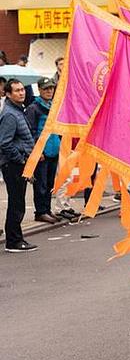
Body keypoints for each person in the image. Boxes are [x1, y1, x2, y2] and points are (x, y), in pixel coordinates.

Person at [1, 80, 38, 252]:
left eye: (22, 89)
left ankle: (16, 238)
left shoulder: (18, 110)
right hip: (13, 164)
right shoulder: (10, 115)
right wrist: (21, 159)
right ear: (8, 94)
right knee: (16, 203)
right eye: (17, 91)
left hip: (19, 162)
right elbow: (5, 143)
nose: (21, 93)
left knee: (18, 202)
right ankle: (13, 241)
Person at [23, 78, 60, 225]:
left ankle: (47, 209)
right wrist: (36, 152)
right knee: (41, 185)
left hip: (54, 151)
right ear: (39, 90)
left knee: (50, 184)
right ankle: (40, 212)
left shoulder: (53, 106)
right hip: (41, 153)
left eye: (51, 88)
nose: (49, 91)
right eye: (46, 89)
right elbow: (29, 132)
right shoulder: (33, 108)